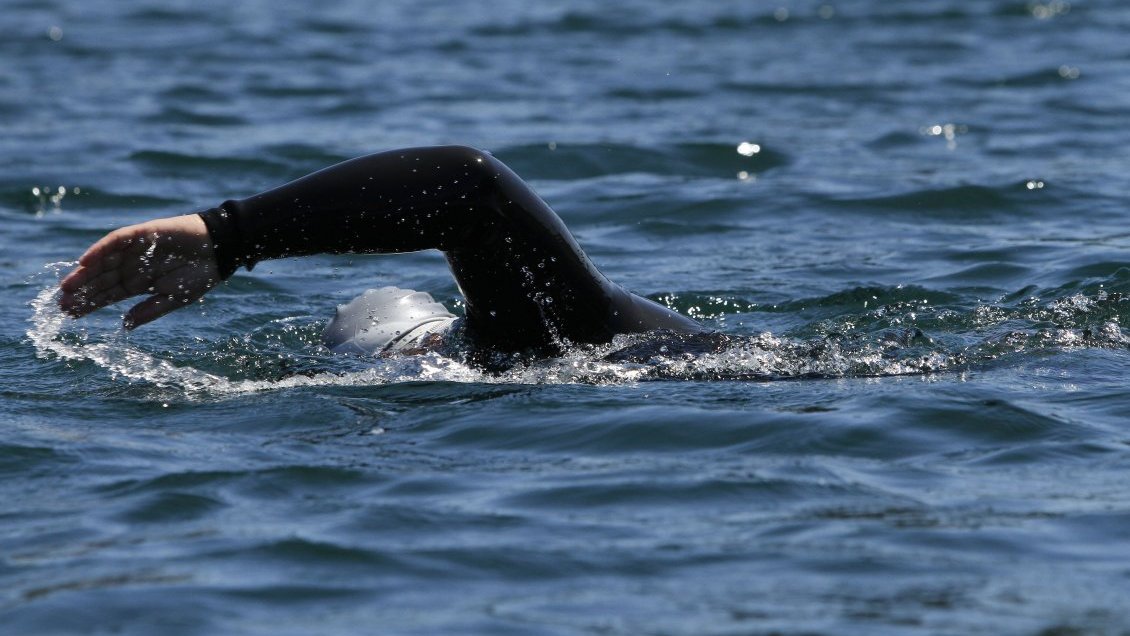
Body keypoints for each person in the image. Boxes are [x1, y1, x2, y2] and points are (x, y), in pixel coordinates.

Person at [59, 145, 707, 362]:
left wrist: (229, 234)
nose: (413, 357)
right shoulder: (546, 341)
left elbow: (470, 186)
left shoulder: (559, 329)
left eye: (402, 351)